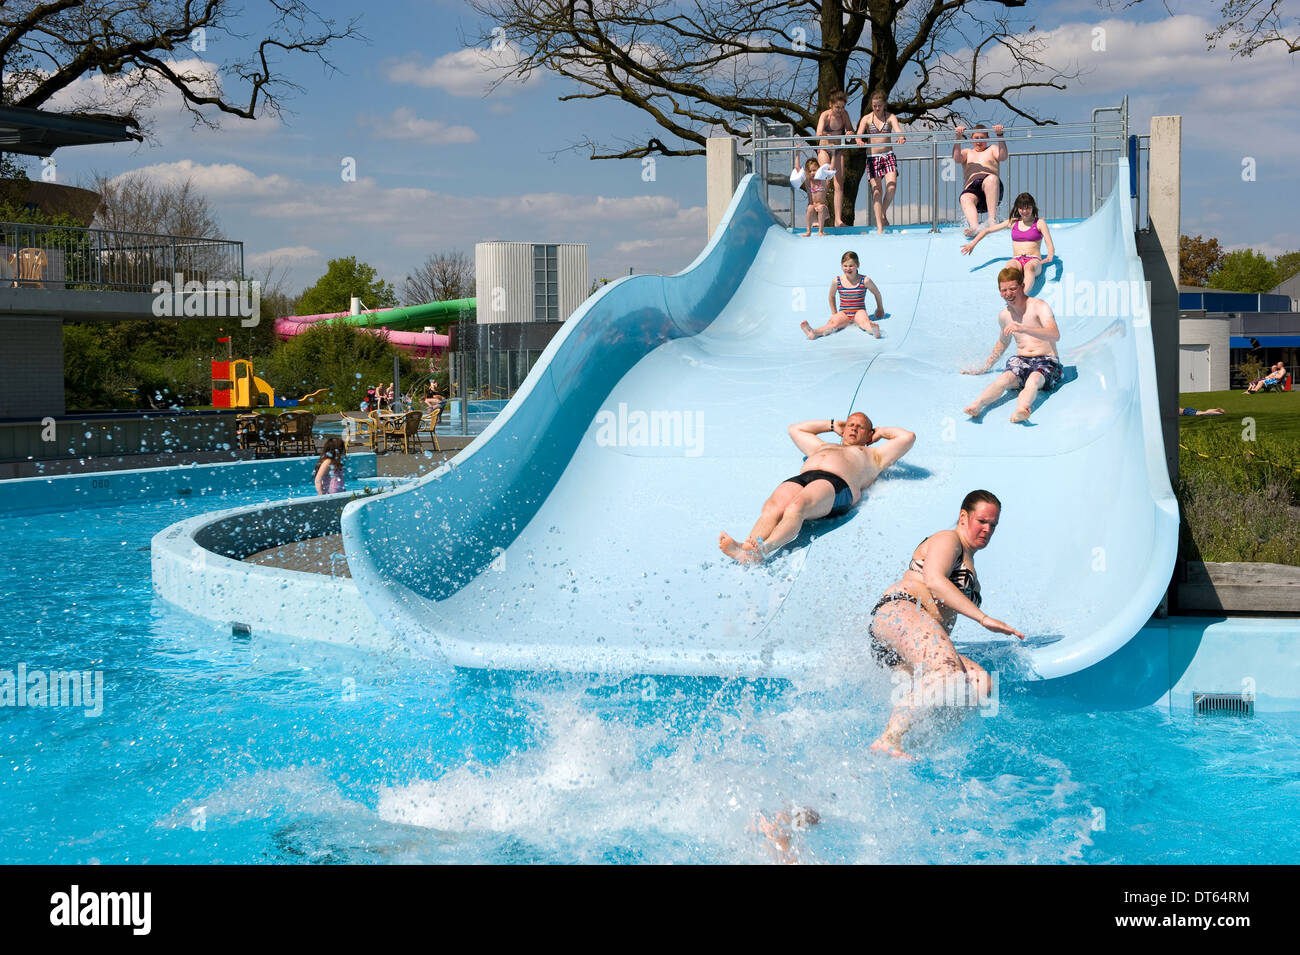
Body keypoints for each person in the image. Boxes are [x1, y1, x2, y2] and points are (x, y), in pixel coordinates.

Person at [867, 490, 1024, 759]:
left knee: (978, 684)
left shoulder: (969, 561)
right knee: (947, 672)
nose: (987, 530)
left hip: (915, 635)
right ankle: (888, 739)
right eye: (982, 521)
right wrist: (983, 619)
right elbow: (935, 582)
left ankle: (919, 744)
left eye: (993, 525)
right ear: (964, 517)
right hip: (900, 612)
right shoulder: (948, 539)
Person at [718, 413, 915, 563]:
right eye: (850, 425)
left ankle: (763, 550)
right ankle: (746, 549)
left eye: (861, 427)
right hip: (804, 478)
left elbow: (907, 437)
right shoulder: (822, 446)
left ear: (869, 434)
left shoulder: (874, 455)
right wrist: (831, 425)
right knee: (772, 507)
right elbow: (795, 429)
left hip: (838, 485)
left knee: (796, 506)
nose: (853, 428)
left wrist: (880, 432)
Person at [962, 266, 1063, 423]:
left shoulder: (1039, 306)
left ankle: (1021, 409)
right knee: (1003, 380)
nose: (1008, 294)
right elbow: (1003, 343)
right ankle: (977, 405)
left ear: (1022, 286)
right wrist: (985, 367)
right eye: (1004, 290)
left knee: (1034, 379)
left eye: (1013, 289)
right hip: (1021, 360)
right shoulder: (1004, 316)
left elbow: (1055, 334)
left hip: (1047, 360)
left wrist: (1024, 328)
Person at [960, 192, 1055, 290]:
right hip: (1017, 259)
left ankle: (1023, 296)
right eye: (1022, 208)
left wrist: (1050, 255)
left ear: (1032, 207)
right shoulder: (1013, 222)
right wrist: (972, 243)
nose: (1025, 211)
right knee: (1009, 268)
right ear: (1017, 209)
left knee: (1029, 268)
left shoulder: (1039, 223)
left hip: (1033, 260)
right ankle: (1010, 295)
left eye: (1028, 208)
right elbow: (987, 230)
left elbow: (1049, 243)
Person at [801, 250, 884, 340]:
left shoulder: (864, 280)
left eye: (851, 266)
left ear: (858, 265)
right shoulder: (837, 281)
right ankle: (814, 332)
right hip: (844, 313)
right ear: (841, 266)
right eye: (845, 266)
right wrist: (834, 313)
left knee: (864, 322)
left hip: (859, 311)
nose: (848, 268)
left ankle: (873, 330)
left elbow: (877, 293)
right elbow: (831, 296)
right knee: (832, 323)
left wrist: (880, 308)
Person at [855, 89, 906, 234]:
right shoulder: (867, 118)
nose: (877, 108)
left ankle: (882, 213)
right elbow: (858, 134)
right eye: (874, 105)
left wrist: (901, 137)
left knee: (891, 187)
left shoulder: (890, 117)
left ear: (884, 105)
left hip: (887, 155)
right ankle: (879, 226)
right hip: (873, 158)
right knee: (877, 191)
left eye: (879, 105)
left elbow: (898, 129)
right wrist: (859, 140)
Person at [952, 124, 1008, 237]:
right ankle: (974, 226)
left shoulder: (992, 149)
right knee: (964, 197)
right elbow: (956, 158)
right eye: (976, 138)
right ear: (972, 139)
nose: (979, 141)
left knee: (991, 179)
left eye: (982, 138)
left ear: (987, 139)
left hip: (992, 188)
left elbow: (1003, 156)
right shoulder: (967, 152)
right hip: (973, 190)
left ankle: (992, 221)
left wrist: (1000, 135)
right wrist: (958, 137)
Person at [815, 89, 854, 227]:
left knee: (839, 184)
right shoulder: (825, 115)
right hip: (825, 149)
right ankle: (819, 216)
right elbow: (818, 132)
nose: (840, 110)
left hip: (837, 151)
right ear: (831, 104)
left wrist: (849, 132)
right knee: (825, 182)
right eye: (837, 107)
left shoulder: (845, 115)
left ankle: (838, 220)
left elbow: (850, 129)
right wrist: (827, 135)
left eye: (843, 107)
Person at [793, 154, 831, 237]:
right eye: (809, 171)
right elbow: (797, 169)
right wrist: (798, 153)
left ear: (819, 170)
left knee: (821, 207)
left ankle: (820, 231)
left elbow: (831, 170)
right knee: (810, 207)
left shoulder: (823, 181)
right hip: (813, 210)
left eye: (814, 170)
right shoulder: (808, 182)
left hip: (822, 209)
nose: (812, 173)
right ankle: (808, 231)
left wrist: (834, 154)